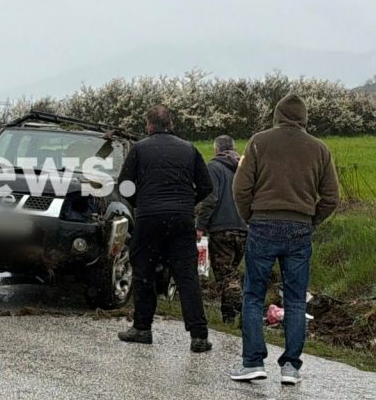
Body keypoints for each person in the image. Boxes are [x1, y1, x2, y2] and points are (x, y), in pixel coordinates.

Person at [229, 94, 339, 385]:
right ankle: (291, 367)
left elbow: (240, 188)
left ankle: (253, 361)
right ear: (304, 119)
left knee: (253, 295)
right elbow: (331, 198)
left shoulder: (258, 142)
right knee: (294, 299)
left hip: (262, 224)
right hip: (299, 229)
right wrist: (311, 220)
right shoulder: (320, 149)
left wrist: (249, 217)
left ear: (277, 115)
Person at [117, 105, 214, 353]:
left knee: (143, 273)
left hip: (149, 218)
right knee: (187, 277)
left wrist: (140, 204)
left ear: (149, 125)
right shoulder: (189, 149)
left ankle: (142, 329)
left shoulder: (139, 148)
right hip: (181, 219)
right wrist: (186, 203)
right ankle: (199, 335)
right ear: (171, 124)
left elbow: (125, 185)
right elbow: (206, 186)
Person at [195, 135, 247, 325]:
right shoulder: (245, 168)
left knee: (226, 276)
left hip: (221, 228)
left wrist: (200, 225)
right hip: (243, 228)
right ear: (234, 148)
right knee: (231, 271)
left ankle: (246, 309)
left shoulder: (214, 167)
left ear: (217, 150)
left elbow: (211, 198)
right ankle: (228, 317)